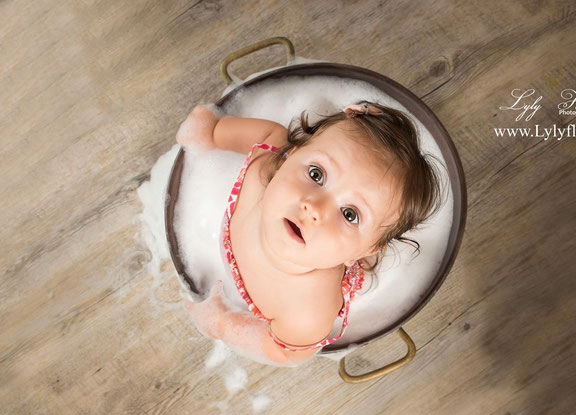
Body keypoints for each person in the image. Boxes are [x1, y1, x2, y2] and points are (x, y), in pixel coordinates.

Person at [177, 101, 441, 366]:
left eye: (350, 214)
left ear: (362, 251)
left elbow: (283, 351)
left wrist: (224, 324)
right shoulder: (265, 162)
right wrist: (209, 132)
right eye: (316, 174)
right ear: (291, 155)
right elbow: (268, 135)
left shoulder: (309, 311)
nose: (314, 208)